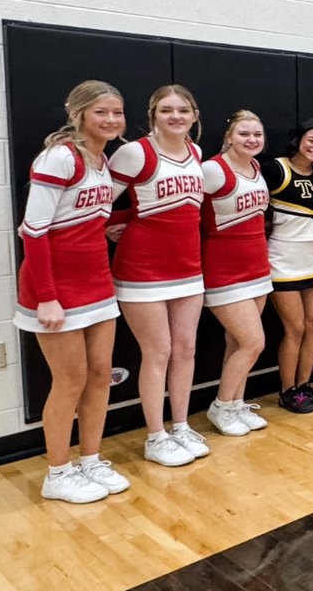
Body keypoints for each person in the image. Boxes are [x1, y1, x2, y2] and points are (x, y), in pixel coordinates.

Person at [15, 80, 128, 502]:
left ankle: (90, 459)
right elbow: (35, 232)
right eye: (102, 112)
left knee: (100, 376)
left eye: (117, 113)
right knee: (70, 380)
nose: (112, 120)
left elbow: (88, 220)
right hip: (55, 288)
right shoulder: (59, 158)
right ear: (78, 113)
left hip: (98, 283)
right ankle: (57, 473)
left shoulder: (103, 159)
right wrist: (46, 295)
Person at [108, 84, 208, 467]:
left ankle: (180, 425)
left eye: (183, 110)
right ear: (153, 115)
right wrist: (113, 225)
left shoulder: (196, 152)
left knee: (185, 350)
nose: (176, 116)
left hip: (188, 266)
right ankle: (155, 436)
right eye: (166, 110)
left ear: (195, 115)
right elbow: (100, 198)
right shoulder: (135, 152)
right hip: (142, 269)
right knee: (158, 352)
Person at [201, 111, 273, 436]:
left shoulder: (256, 167)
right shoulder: (213, 170)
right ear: (230, 135)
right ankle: (220, 406)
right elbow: (185, 211)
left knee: (237, 342)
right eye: (244, 133)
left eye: (257, 134)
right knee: (253, 342)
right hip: (223, 270)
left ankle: (236, 403)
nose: (252, 140)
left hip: (257, 268)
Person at [265, 119, 313, 414]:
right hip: (281, 260)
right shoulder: (276, 169)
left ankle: (304, 385)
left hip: (312, 262)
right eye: (312, 140)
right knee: (293, 328)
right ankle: (287, 390)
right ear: (299, 139)